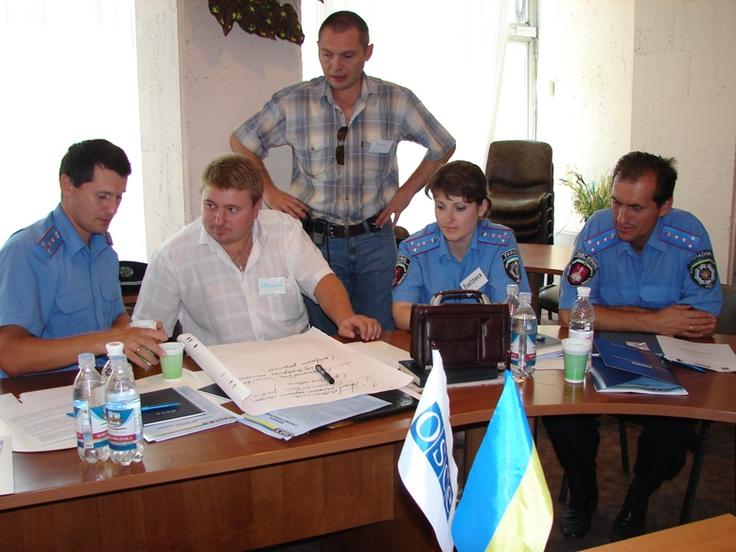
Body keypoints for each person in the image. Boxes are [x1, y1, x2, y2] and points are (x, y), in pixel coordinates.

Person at [230, 10, 456, 335]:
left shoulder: (395, 100)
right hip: (316, 243)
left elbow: (443, 144)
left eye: (347, 56)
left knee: (382, 336)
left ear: (368, 52)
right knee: (322, 342)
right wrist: (270, 192)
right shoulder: (295, 101)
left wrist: (405, 194)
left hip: (375, 240)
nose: (336, 66)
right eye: (327, 55)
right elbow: (241, 141)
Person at [544, 151, 723, 541]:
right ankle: (584, 494)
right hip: (603, 352)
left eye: (636, 207)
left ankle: (637, 500)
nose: (621, 217)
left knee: (674, 431)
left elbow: (703, 317)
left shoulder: (689, 234)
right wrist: (656, 320)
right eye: (616, 202)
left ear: (664, 206)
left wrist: (612, 313)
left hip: (671, 357)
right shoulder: (597, 230)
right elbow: (570, 312)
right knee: (559, 411)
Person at [133, 153, 381, 345]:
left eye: (232, 210)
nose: (218, 219)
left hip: (293, 363)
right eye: (210, 205)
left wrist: (345, 317)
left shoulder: (285, 230)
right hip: (221, 373)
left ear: (256, 209)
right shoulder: (172, 256)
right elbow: (147, 331)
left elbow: (321, 280)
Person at [0, 139, 167, 377]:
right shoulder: (27, 252)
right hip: (44, 390)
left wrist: (136, 333)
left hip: (102, 383)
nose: (112, 209)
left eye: (118, 197)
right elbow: (10, 355)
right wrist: (105, 340)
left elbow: (116, 319)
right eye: (102, 196)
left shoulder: (103, 250)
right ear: (67, 185)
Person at [392, 160, 530, 330]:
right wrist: (451, 327)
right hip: (434, 341)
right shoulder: (414, 249)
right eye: (440, 207)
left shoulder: (501, 243)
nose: (448, 218)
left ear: (482, 208)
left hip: (484, 341)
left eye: (460, 208)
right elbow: (401, 312)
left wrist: (451, 325)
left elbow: (512, 308)